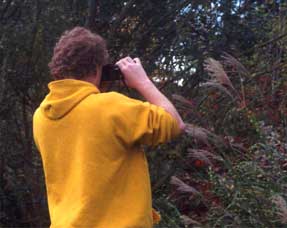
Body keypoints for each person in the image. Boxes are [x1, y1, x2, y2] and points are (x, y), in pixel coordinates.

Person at [32, 26, 185, 227]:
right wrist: (143, 82)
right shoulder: (110, 106)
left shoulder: (41, 116)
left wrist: (95, 89)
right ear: (98, 68)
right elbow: (174, 123)